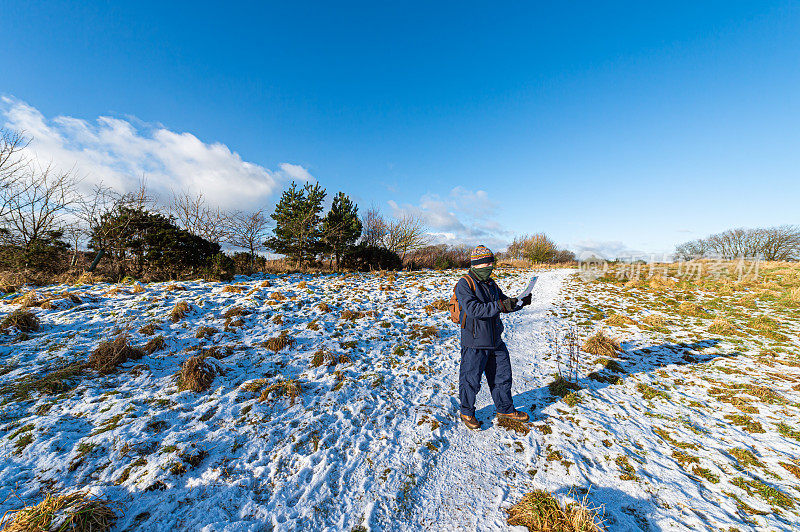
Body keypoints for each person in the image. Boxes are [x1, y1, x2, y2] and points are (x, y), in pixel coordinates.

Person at [455, 245, 532, 430]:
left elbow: (503, 303)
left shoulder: (491, 283)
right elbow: (473, 310)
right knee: (470, 379)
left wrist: (520, 302)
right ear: (478, 264)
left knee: (502, 376)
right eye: (488, 263)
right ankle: (466, 411)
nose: (491, 266)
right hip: (474, 342)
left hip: (495, 340)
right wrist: (500, 305)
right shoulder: (464, 284)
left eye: (492, 262)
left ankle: (505, 409)